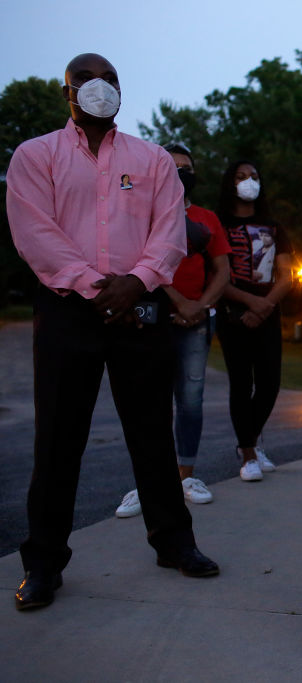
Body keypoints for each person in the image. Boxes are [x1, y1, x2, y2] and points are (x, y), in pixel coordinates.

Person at [6, 53, 219, 610]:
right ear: (67, 92)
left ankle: (174, 542)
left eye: (110, 79)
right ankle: (43, 564)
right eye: (85, 79)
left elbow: (169, 231)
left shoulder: (152, 159)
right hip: (67, 309)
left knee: (151, 431)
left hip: (138, 306)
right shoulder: (36, 155)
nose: (99, 87)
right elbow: (34, 232)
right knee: (58, 438)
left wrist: (138, 282)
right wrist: (95, 285)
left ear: (122, 90)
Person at [114, 143, 231, 517]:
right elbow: (138, 264)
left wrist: (200, 306)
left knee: (191, 399)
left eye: (187, 167)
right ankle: (149, 482)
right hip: (153, 317)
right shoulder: (141, 214)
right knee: (150, 401)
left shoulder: (207, 219)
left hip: (197, 320)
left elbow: (223, 271)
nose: (181, 173)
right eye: (173, 166)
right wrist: (179, 302)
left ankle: (185, 477)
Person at [216, 160, 293, 481]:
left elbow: (288, 276)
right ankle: (248, 454)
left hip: (268, 313)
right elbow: (217, 276)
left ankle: (249, 439)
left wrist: (263, 306)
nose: (249, 181)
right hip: (232, 315)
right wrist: (250, 303)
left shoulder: (274, 227)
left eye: (254, 176)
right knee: (241, 383)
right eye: (241, 176)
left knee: (270, 383)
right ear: (230, 184)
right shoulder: (219, 225)